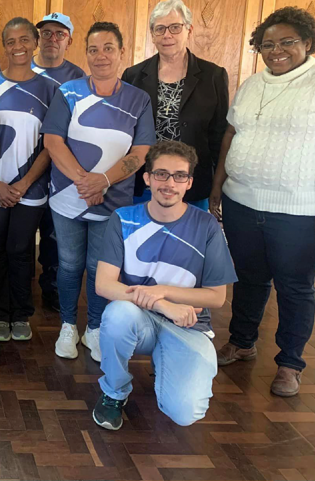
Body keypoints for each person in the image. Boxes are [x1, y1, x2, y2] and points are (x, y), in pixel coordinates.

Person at [211, 6, 315, 397]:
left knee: (294, 286)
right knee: (248, 278)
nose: (276, 51)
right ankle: (242, 342)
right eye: (267, 44)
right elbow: (230, 135)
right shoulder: (252, 84)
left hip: (299, 209)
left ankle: (290, 363)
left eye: (287, 42)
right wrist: (217, 185)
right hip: (241, 201)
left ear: (308, 42)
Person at [92, 141, 236, 431]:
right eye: (161, 174)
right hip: (139, 319)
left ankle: (165, 362)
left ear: (189, 183)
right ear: (147, 178)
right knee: (117, 314)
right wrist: (162, 304)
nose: (169, 184)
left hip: (187, 325)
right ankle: (114, 391)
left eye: (179, 176)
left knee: (185, 413)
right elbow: (104, 285)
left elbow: (216, 297)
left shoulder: (207, 225)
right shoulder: (123, 218)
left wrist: (164, 291)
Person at [43, 21, 154, 363]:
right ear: (86, 54)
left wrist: (103, 181)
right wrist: (85, 182)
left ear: (122, 52)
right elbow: (53, 141)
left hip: (114, 202)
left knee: (99, 268)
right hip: (68, 198)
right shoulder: (68, 92)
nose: (101, 56)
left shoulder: (138, 99)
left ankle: (94, 327)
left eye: (108, 48)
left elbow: (141, 152)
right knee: (68, 264)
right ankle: (67, 325)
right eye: (93, 49)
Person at [0, 18, 57, 343]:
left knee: (20, 250)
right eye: (10, 41)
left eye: (24, 40)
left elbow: (52, 143)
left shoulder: (50, 89)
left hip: (31, 188)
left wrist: (24, 184)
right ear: (3, 45)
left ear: (35, 43)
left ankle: (20, 313)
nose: (17, 46)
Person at [122, 0, 229, 210]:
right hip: (145, 182)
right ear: (152, 35)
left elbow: (219, 136)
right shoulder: (133, 76)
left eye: (175, 27)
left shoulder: (213, 76)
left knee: (189, 232)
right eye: (160, 29)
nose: (167, 35)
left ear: (189, 30)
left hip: (192, 183)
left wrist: (218, 184)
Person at [33, 12, 86, 313]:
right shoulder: (22, 68)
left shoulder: (79, 77)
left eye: (60, 34)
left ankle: (52, 287)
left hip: (62, 170)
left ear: (70, 40)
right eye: (46, 33)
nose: (52, 39)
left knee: (55, 236)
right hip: (24, 168)